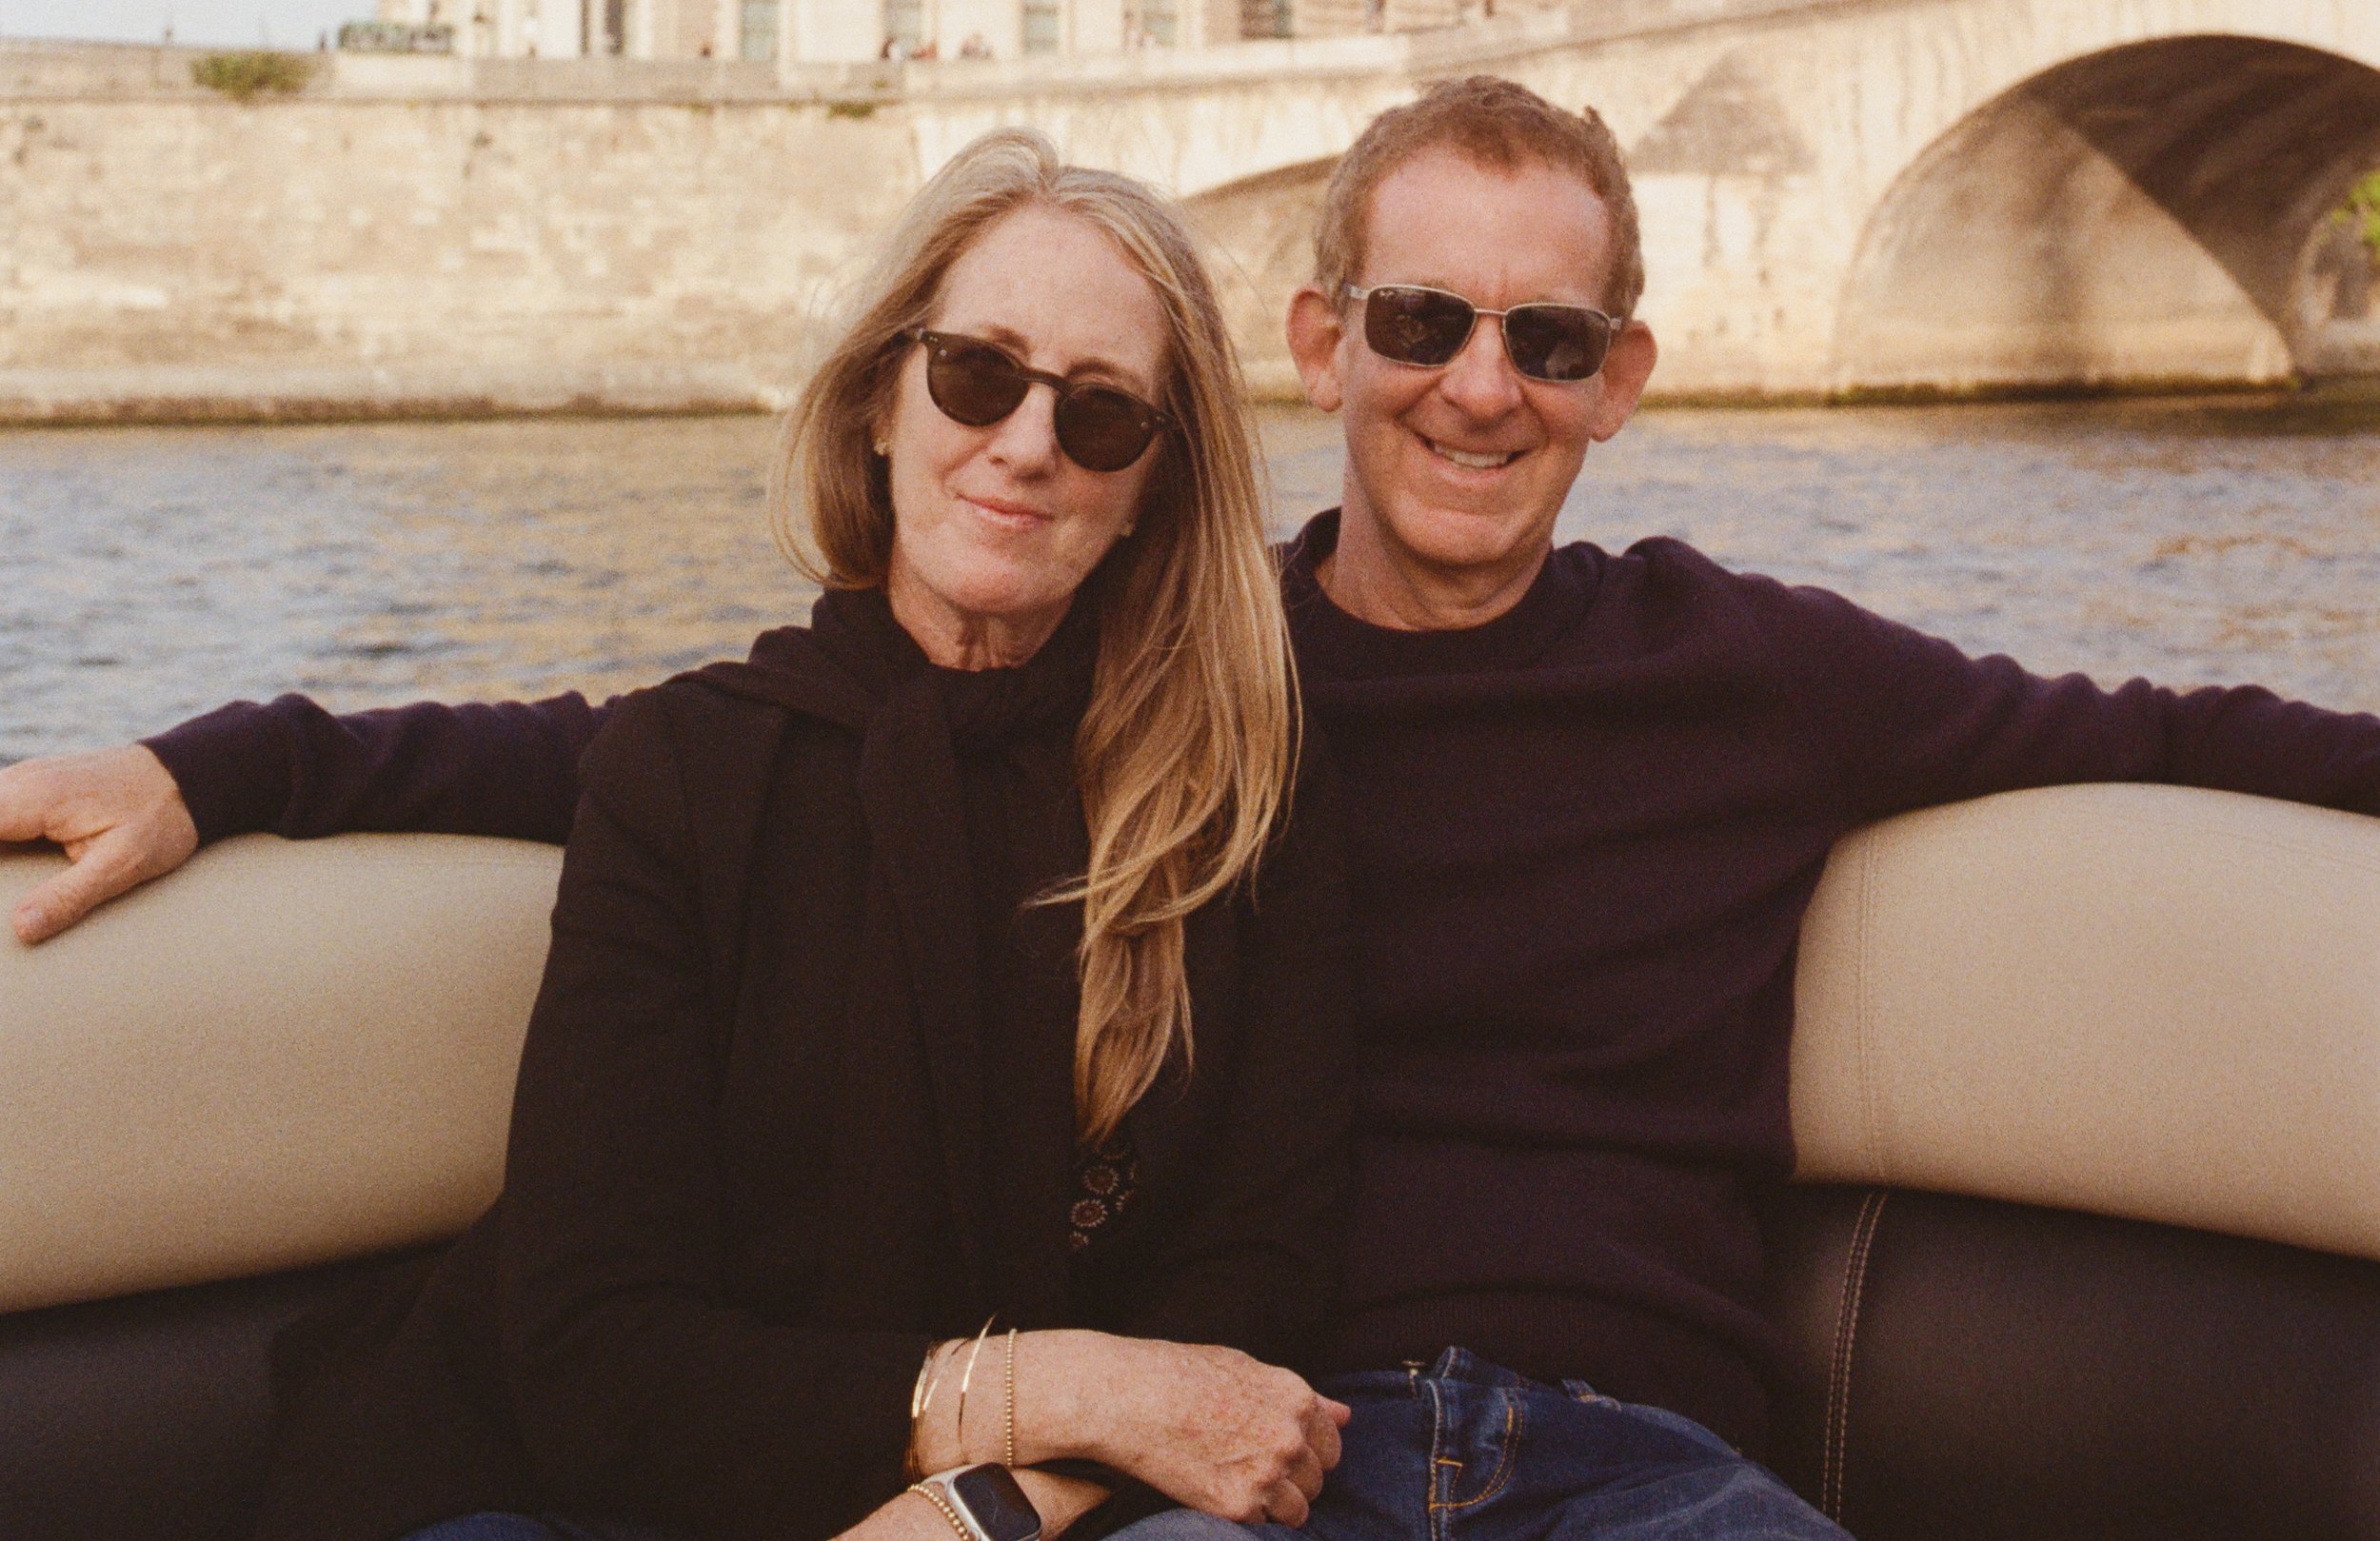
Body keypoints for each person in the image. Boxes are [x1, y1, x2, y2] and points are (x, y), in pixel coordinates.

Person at [13, 75, 2380, 1541]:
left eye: (1545, 341)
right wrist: (226, 762)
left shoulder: (1680, 679)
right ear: (1320, 338)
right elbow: (653, 743)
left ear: (1620, 380)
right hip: (1262, 1453)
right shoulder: (1151, 696)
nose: (1479, 389)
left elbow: (2161, 723)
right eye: (1426, 325)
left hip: (1595, 1442)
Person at [222, 131, 1354, 1541]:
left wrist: (985, 1507)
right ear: (882, 397)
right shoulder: (690, 768)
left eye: (1101, 412)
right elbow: (599, 1368)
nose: (1024, 442)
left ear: (1150, 494)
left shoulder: (1235, 808)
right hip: (544, 1490)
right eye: (976, 372)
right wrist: (217, 764)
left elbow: (1245, 1298)